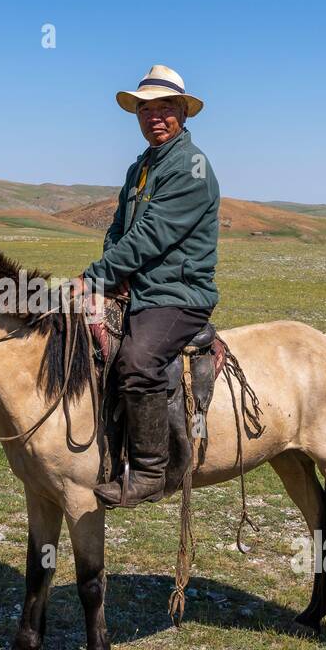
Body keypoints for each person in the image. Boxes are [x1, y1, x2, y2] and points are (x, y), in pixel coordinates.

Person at [67, 65, 221, 509]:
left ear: (183, 114)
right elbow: (119, 230)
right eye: (146, 109)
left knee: (137, 360)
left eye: (165, 108)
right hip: (137, 290)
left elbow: (152, 235)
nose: (155, 116)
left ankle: (151, 471)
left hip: (177, 294)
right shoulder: (142, 166)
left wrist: (94, 278)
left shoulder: (191, 167)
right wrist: (107, 282)